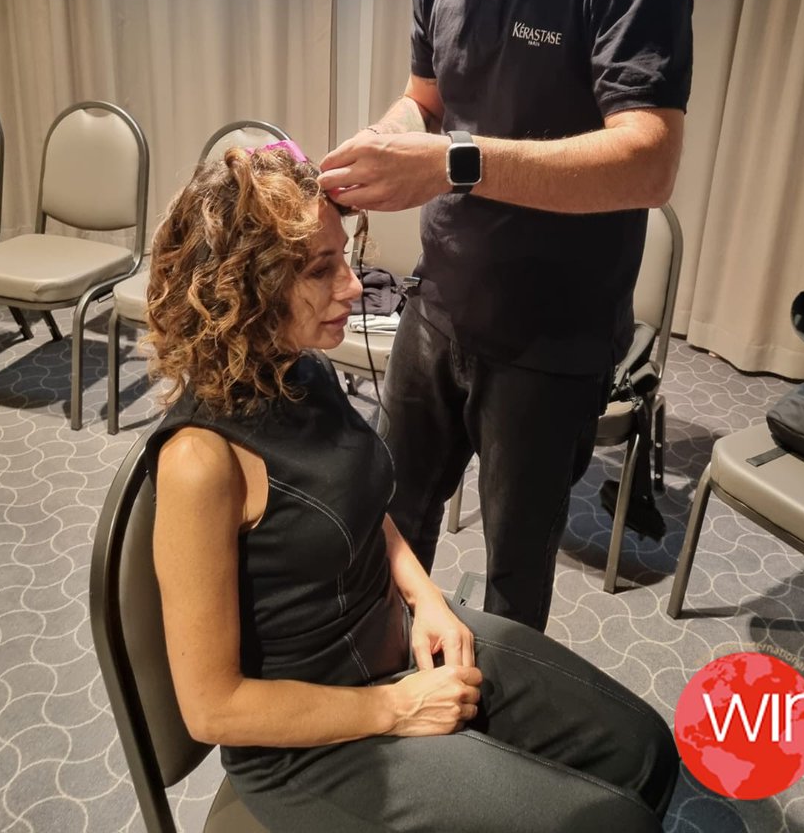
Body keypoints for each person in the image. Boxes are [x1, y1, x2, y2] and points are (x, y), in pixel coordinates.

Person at [144, 142, 680, 833]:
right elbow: (213, 708)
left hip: (397, 645)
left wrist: (426, 598)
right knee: (615, 824)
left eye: (344, 256)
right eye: (320, 269)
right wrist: (398, 709)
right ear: (244, 288)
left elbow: (364, 509)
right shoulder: (200, 459)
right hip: (310, 746)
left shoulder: (297, 369)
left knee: (645, 752)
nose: (354, 285)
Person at [318, 0, 693, 632]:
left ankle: (490, 766)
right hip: (437, 313)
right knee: (389, 529)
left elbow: (647, 161)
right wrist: (386, 142)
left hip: (551, 341)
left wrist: (450, 166)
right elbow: (426, 102)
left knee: (510, 589)